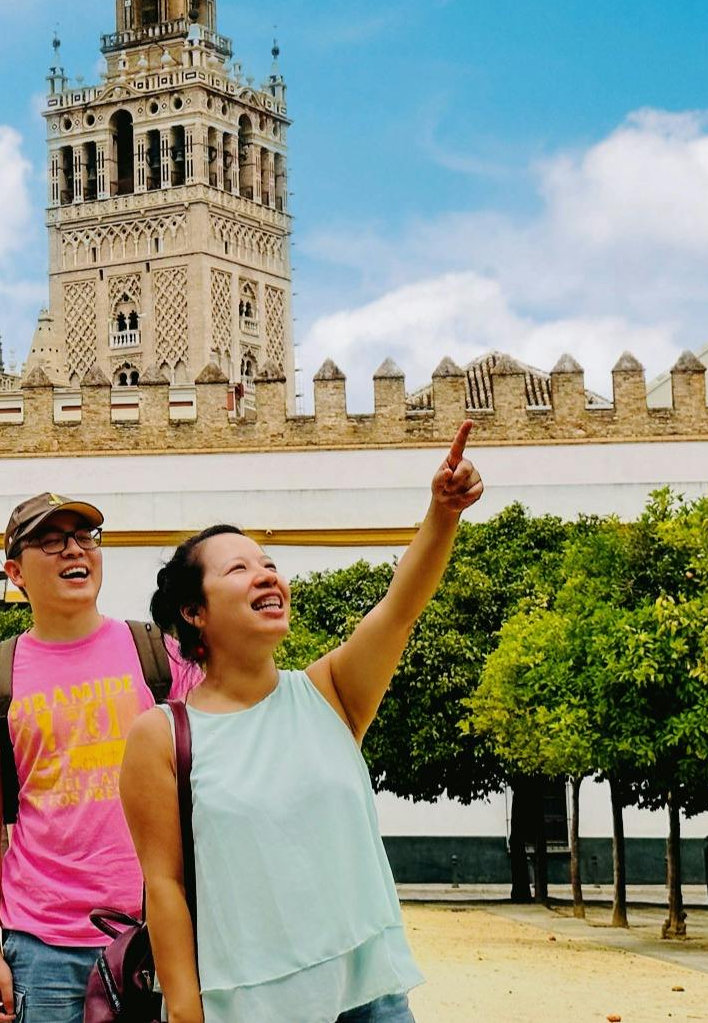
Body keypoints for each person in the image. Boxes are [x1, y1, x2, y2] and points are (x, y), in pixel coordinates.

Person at [121, 422, 484, 1023]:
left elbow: (400, 607)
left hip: (370, 997)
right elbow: (164, 887)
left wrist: (443, 514)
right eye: (237, 570)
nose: (266, 575)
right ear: (194, 612)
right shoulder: (161, 736)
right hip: (246, 1006)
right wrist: (185, 1011)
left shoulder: (331, 694)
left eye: (268, 563)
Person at [0, 492, 201, 1023]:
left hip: (163, 932)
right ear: (15, 572)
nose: (74, 551)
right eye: (51, 541)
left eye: (84, 538)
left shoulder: (162, 658)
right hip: (43, 948)